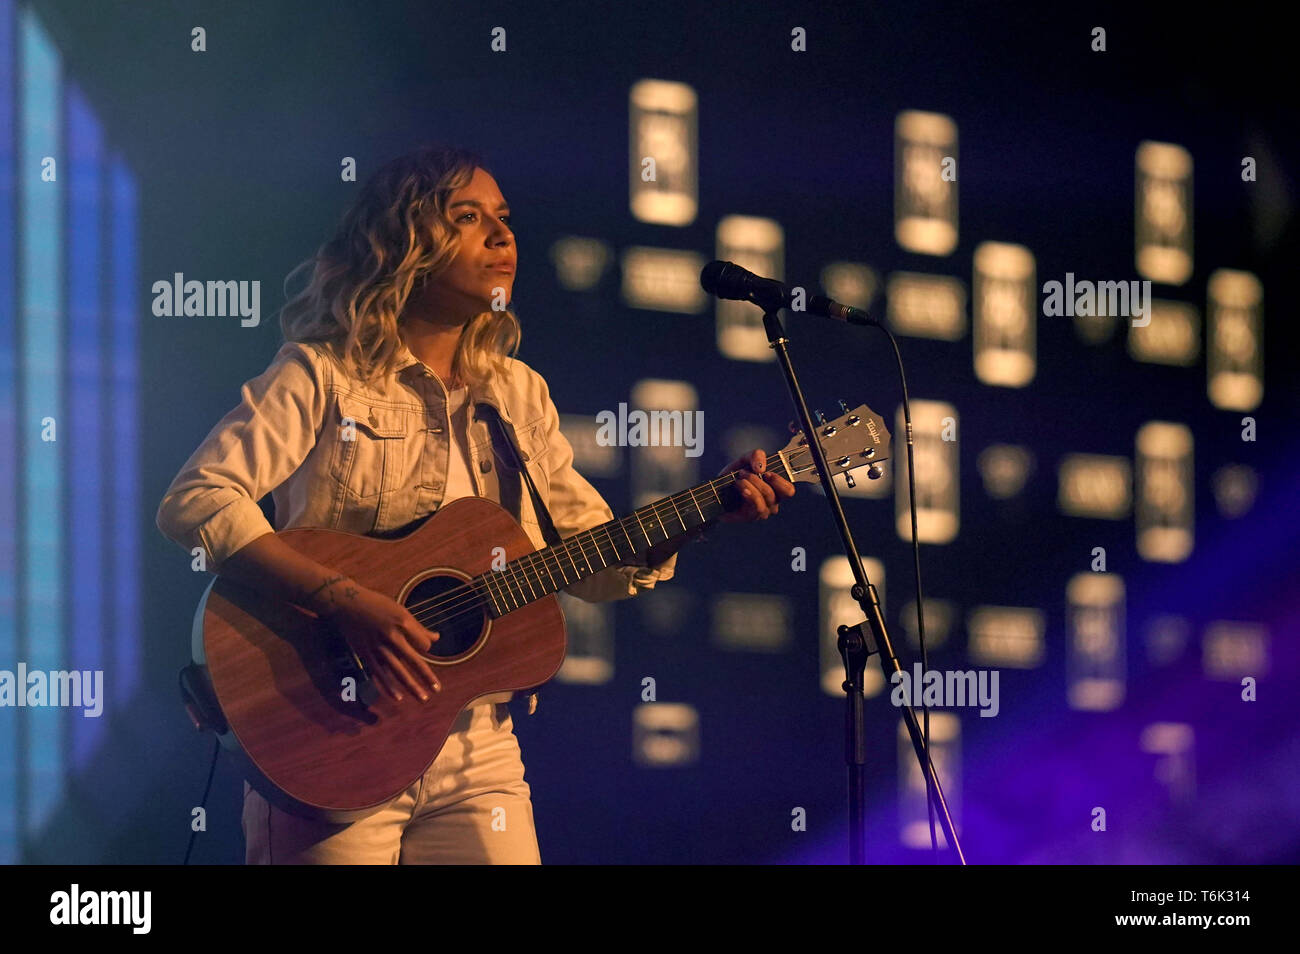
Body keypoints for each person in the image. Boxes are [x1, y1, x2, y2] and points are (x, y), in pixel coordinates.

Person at [155, 145, 795, 864]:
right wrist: (345, 602)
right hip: (329, 730)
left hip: (479, 749)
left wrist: (705, 511)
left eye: (505, 217)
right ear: (402, 244)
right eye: (468, 217)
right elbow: (197, 501)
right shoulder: (322, 373)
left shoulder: (516, 395)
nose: (501, 235)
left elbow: (588, 559)